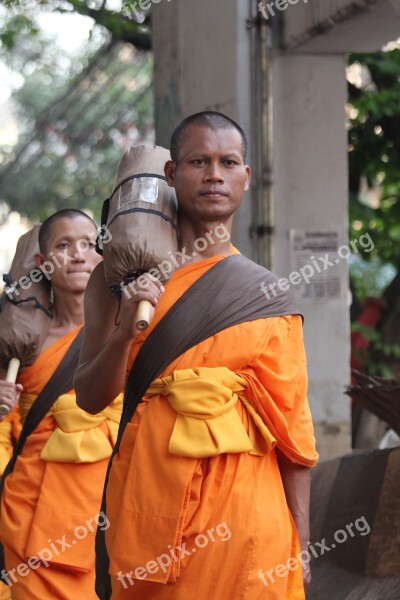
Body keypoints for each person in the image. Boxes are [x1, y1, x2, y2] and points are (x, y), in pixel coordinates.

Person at [75, 112, 318, 600]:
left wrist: (302, 535)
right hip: (147, 509)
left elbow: (292, 431)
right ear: (170, 173)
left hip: (249, 519)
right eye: (197, 161)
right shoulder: (116, 283)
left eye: (228, 163)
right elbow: (89, 399)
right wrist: (125, 328)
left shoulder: (266, 294)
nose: (214, 175)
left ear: (246, 178)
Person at [0, 209, 123, 600]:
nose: (78, 255)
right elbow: (6, 435)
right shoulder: (22, 347)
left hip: (111, 505)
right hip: (33, 510)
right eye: (63, 245)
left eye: (89, 244)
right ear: (42, 262)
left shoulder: (129, 331)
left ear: (103, 253)